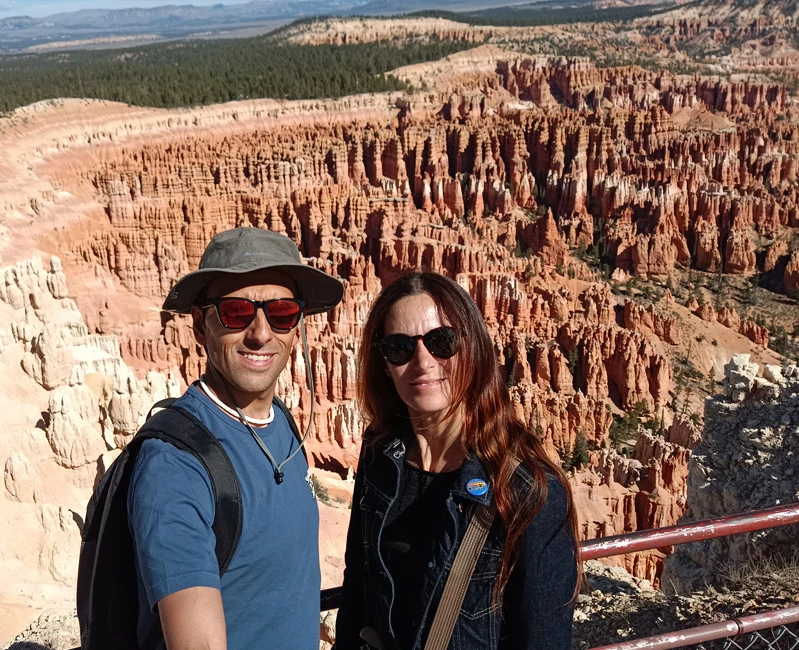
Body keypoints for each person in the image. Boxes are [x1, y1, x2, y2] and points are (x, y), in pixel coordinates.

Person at [334, 272, 580, 650]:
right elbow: (358, 591)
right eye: (399, 347)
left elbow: (543, 639)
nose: (422, 362)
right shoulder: (380, 455)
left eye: (441, 342)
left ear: (472, 348)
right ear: (384, 364)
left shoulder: (524, 490)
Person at [130, 227, 344, 650]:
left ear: (297, 325)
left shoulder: (280, 422)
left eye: (281, 311)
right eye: (236, 311)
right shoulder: (176, 464)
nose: (261, 333)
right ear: (199, 326)